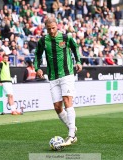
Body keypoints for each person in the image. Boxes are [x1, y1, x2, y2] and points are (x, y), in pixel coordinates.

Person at [34, 17, 82, 147]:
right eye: (48, 29)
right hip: (53, 77)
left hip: (67, 74)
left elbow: (75, 48)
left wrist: (78, 61)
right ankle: (72, 127)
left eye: (53, 28)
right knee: (57, 107)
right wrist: (37, 68)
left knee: (67, 101)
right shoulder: (43, 40)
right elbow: (37, 55)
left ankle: (71, 135)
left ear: (57, 26)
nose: (51, 31)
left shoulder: (66, 38)